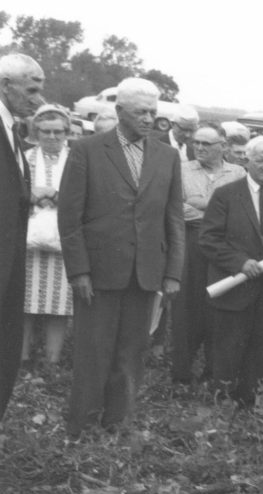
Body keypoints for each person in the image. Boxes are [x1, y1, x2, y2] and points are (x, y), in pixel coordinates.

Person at [59, 77, 185, 436]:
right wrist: (79, 271)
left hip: (145, 272)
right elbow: (70, 218)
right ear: (118, 112)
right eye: (140, 112)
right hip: (98, 272)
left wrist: (172, 272)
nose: (148, 119)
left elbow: (173, 218)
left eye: (153, 112)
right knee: (92, 354)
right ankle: (81, 428)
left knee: (131, 354)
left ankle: (117, 424)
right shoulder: (87, 150)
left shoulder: (167, 155)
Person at [199, 136, 263, 408]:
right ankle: (222, 403)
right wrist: (239, 262)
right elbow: (208, 239)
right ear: (247, 161)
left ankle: (247, 402)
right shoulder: (226, 195)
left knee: (259, 348)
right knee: (228, 348)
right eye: (260, 160)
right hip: (235, 286)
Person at [171, 122, 246, 383]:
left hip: (224, 249)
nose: (199, 148)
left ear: (223, 146)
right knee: (186, 308)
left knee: (220, 306)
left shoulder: (238, 173)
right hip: (190, 245)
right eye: (196, 143)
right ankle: (181, 372)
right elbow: (174, 208)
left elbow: (239, 212)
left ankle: (214, 372)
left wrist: (200, 206)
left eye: (206, 144)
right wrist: (215, 215)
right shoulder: (181, 170)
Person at [0, 53, 45, 420]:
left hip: (11, 262)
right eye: (31, 89)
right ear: (5, 85)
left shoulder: (13, 130)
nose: (39, 99)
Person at [22, 104, 73, 369]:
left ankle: (52, 360)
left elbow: (89, 198)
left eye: (58, 132)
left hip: (64, 242)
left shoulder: (77, 160)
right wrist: (30, 195)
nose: (52, 137)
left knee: (60, 303)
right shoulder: (24, 158)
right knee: (24, 300)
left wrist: (56, 195)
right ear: (36, 132)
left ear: (67, 132)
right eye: (46, 132)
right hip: (28, 241)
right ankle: (21, 357)